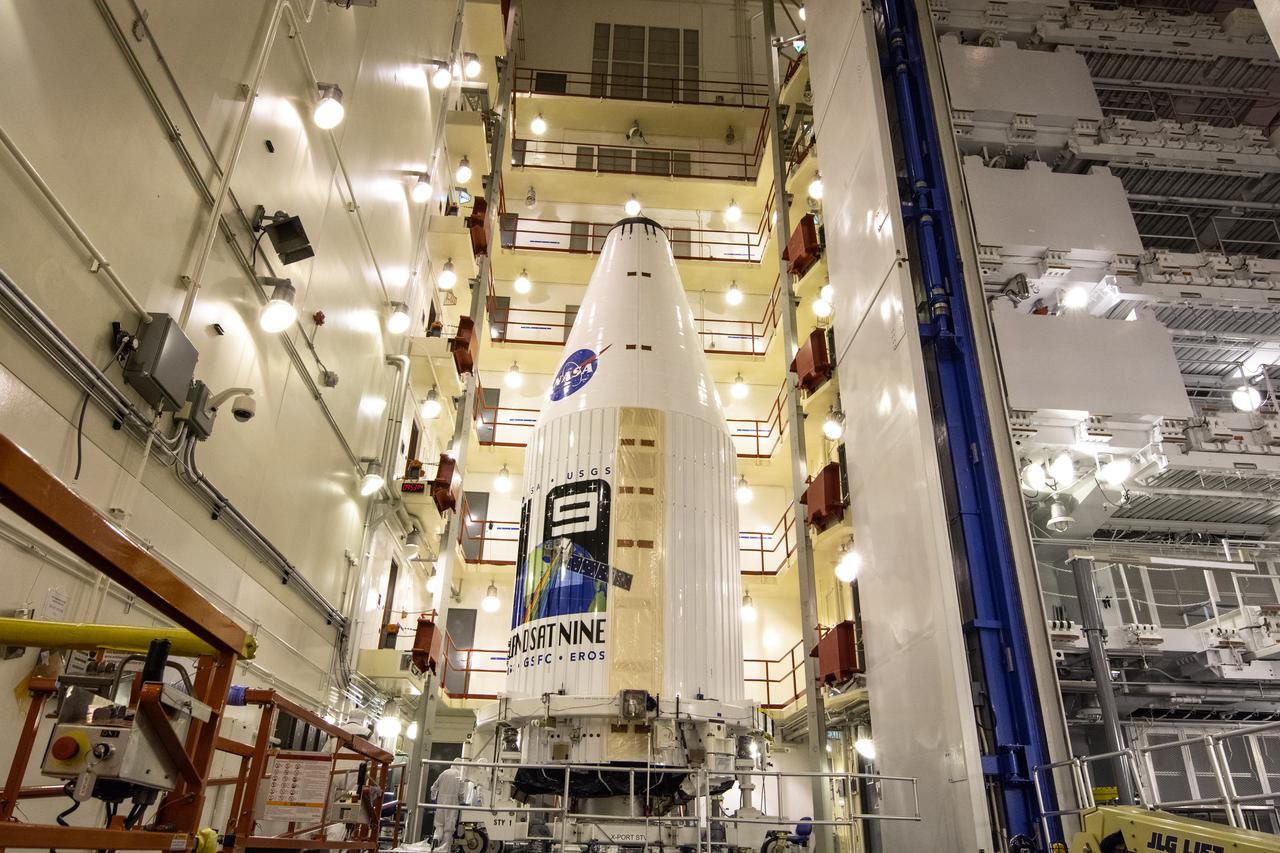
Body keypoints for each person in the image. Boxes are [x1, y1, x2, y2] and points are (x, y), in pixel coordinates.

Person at [430, 761, 466, 852]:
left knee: (439, 824)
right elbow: (461, 793)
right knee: (449, 828)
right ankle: (445, 848)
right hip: (452, 802)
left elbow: (433, 787)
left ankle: (436, 838)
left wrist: (433, 798)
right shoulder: (459, 775)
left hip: (441, 801)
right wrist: (462, 802)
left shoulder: (444, 773)